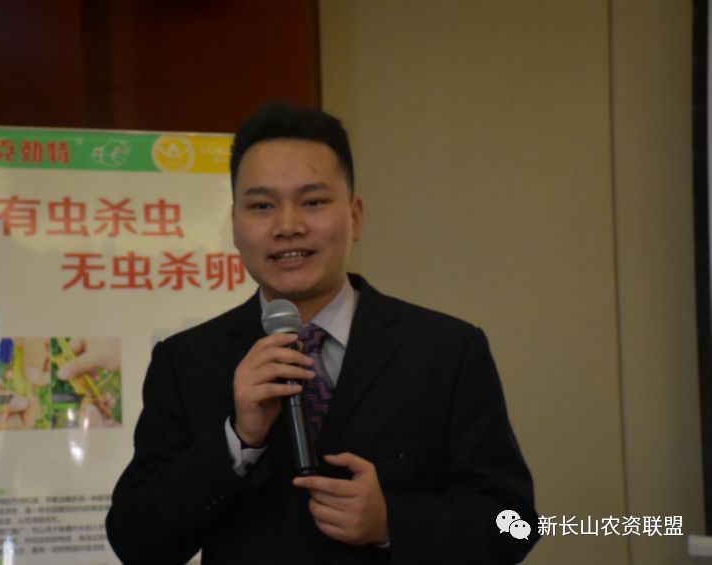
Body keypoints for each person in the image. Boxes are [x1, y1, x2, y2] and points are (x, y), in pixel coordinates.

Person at [106, 102, 539, 564]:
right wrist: (238, 440)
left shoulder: (446, 350)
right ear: (234, 226)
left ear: (355, 216)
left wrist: (392, 523)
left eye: (313, 202)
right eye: (262, 206)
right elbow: (137, 541)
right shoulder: (186, 361)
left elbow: (514, 524)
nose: (288, 226)